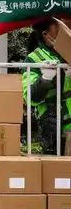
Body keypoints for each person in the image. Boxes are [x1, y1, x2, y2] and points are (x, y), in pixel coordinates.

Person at [21, 17, 71, 154]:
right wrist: (45, 79)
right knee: (56, 166)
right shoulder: (34, 59)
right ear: (46, 34)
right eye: (59, 28)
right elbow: (31, 97)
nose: (66, 31)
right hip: (53, 125)